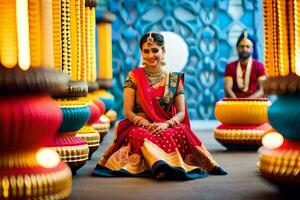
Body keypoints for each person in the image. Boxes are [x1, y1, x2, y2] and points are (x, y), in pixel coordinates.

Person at [93, 32, 227, 179]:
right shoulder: (134, 76)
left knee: (181, 130)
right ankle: (159, 165)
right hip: (140, 126)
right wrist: (145, 123)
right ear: (141, 53)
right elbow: (128, 111)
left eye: (155, 50)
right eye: (146, 51)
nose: (151, 55)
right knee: (140, 134)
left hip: (166, 125)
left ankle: (166, 166)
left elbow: (181, 112)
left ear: (163, 52)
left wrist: (166, 125)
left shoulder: (174, 79)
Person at [224, 31, 266, 98]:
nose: (244, 49)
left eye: (247, 47)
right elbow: (227, 88)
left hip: (255, 103)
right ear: (237, 49)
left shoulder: (259, 66)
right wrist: (237, 102)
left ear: (252, 49)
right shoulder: (230, 66)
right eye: (242, 46)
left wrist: (247, 101)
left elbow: (263, 89)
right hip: (235, 103)